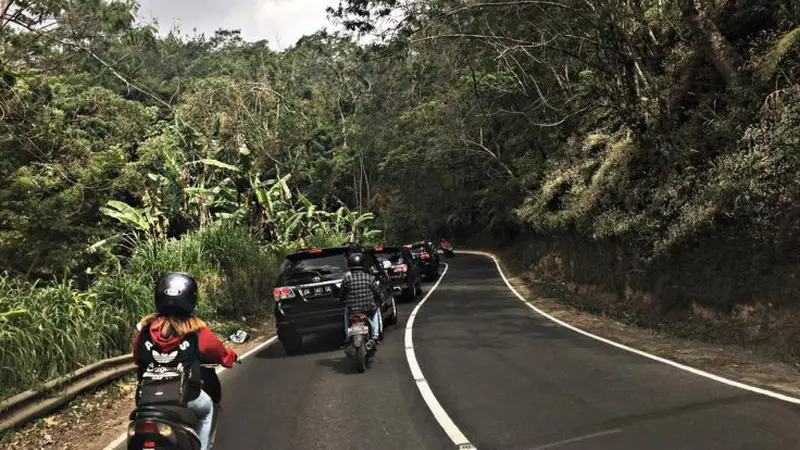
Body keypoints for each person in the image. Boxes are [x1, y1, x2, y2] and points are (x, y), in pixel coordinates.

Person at [131, 272, 238, 450]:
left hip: (145, 399)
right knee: (207, 409)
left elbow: (137, 357)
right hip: (183, 396)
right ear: (190, 298)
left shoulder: (145, 329)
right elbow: (218, 352)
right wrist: (230, 357)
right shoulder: (195, 329)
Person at [339, 253, 383, 346]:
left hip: (353, 309)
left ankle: (347, 336)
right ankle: (375, 335)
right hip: (368, 307)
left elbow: (341, 294)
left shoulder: (347, 279)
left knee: (345, 314)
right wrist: (379, 298)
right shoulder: (369, 278)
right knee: (375, 312)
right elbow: (377, 292)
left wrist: (342, 299)